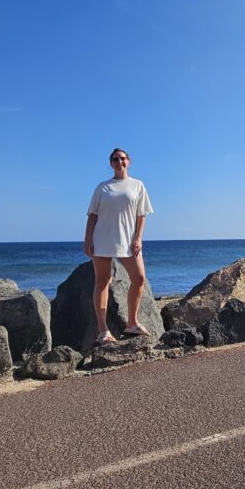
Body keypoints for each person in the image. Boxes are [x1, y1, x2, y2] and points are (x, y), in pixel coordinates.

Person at [84, 148, 154, 345]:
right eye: (115, 159)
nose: (119, 162)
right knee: (102, 281)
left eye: (123, 159)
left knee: (139, 278)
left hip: (128, 240)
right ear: (111, 163)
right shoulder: (102, 187)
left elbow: (141, 215)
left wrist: (138, 238)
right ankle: (103, 330)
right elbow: (92, 215)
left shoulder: (138, 185)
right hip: (102, 239)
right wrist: (88, 239)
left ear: (129, 161)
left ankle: (132, 323)